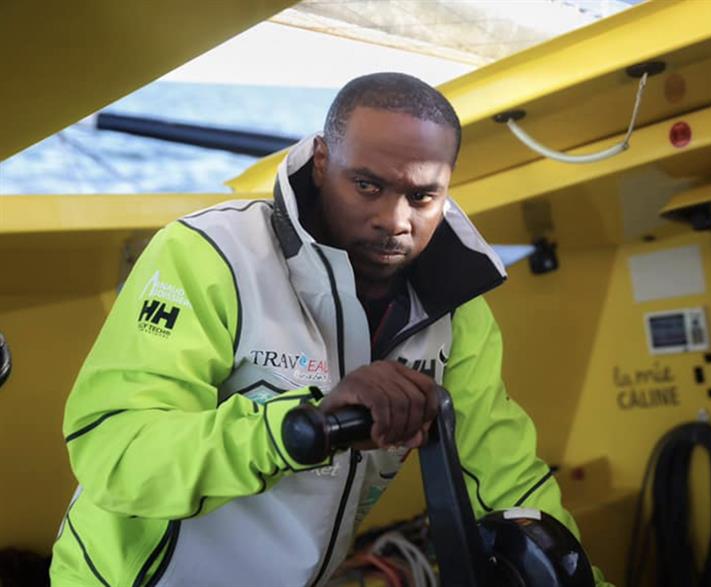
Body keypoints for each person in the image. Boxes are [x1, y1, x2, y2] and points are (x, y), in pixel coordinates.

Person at [50, 73, 610, 586]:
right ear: (321, 161)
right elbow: (116, 456)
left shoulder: (457, 313)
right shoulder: (209, 258)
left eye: (422, 196)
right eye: (368, 185)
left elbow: (507, 482)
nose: (395, 220)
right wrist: (299, 427)